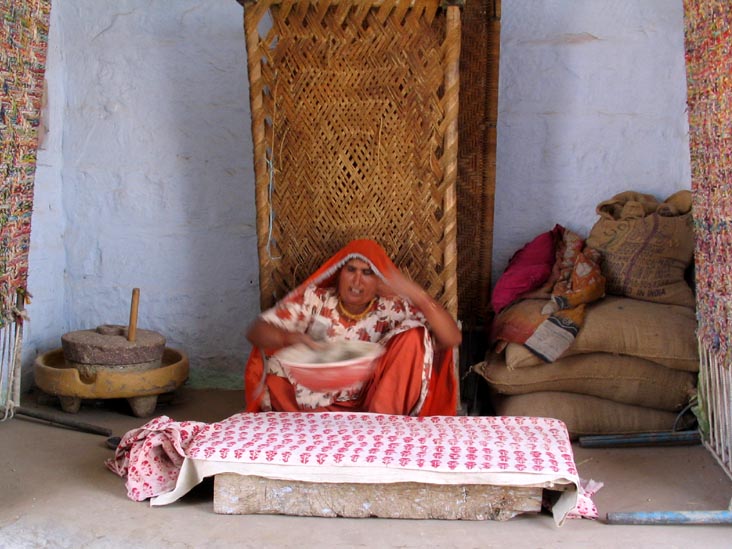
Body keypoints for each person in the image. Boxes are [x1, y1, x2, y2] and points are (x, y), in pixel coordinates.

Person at [245, 239, 462, 416]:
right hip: (314, 408)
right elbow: (257, 331)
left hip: (376, 407)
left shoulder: (392, 308)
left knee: (415, 337)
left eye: (367, 273)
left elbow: (452, 338)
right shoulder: (315, 300)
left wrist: (413, 292)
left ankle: (378, 436)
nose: (357, 281)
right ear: (339, 273)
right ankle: (307, 441)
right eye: (351, 270)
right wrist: (291, 338)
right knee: (276, 370)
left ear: (379, 280)